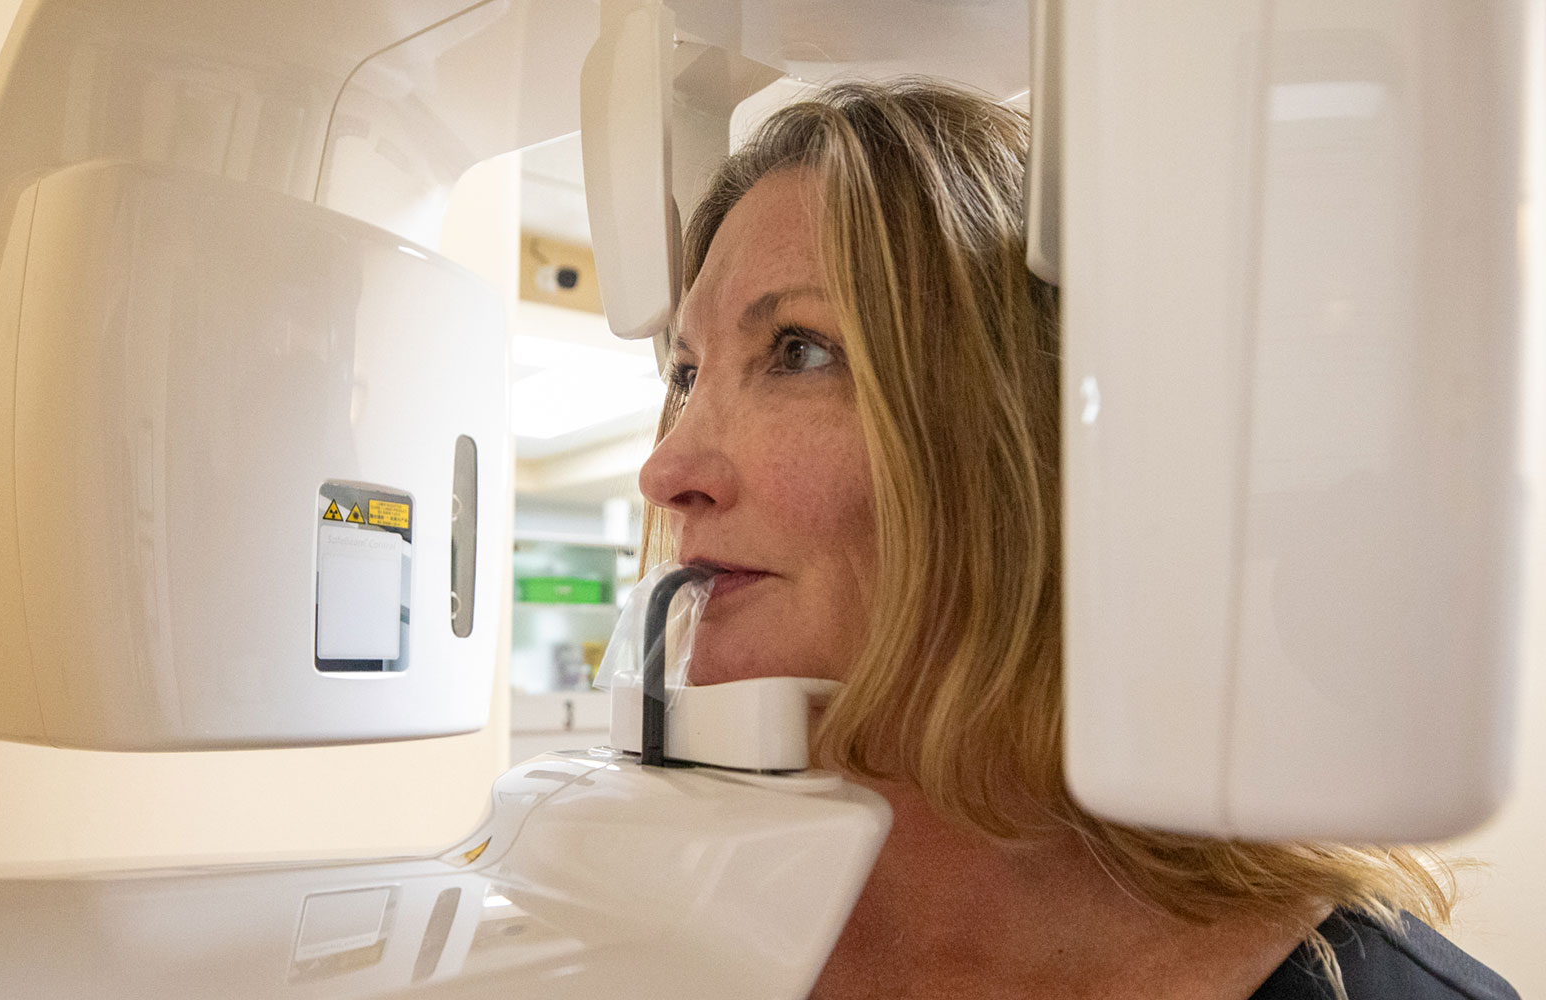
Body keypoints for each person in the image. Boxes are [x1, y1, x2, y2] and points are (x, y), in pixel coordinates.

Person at [635, 79, 1517, 1000]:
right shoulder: (621, 925)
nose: (666, 471)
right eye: (688, 375)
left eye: (798, 351)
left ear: (1031, 432)